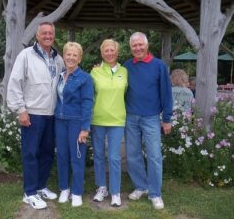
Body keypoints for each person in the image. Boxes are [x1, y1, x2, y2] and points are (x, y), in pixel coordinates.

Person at [7, 22, 64, 210]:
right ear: (37, 36)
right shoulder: (26, 56)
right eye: (44, 33)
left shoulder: (58, 58)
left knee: (47, 153)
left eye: (51, 33)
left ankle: (40, 186)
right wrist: (20, 110)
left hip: (51, 114)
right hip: (32, 113)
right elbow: (15, 83)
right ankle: (29, 193)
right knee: (31, 153)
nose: (48, 36)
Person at [123, 32, 173, 210]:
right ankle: (141, 186)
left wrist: (166, 119)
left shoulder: (159, 66)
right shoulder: (126, 66)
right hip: (131, 117)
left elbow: (166, 93)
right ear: (130, 48)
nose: (137, 48)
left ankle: (155, 193)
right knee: (132, 154)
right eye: (134, 46)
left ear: (146, 45)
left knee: (154, 156)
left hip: (151, 117)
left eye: (140, 45)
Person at [54, 42, 94, 207]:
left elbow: (87, 103)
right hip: (59, 121)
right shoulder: (60, 75)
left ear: (80, 58)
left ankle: (76, 192)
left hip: (76, 122)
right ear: (64, 56)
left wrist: (85, 128)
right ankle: (64, 188)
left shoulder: (85, 78)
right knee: (62, 155)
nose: (71, 57)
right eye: (68, 54)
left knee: (77, 156)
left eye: (74, 55)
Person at [90, 39, 128, 207]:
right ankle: (102, 188)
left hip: (117, 120)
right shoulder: (95, 72)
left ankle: (115, 192)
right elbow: (89, 96)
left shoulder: (125, 71)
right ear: (102, 53)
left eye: (112, 50)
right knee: (98, 155)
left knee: (114, 157)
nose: (110, 53)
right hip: (97, 119)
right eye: (106, 50)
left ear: (117, 52)